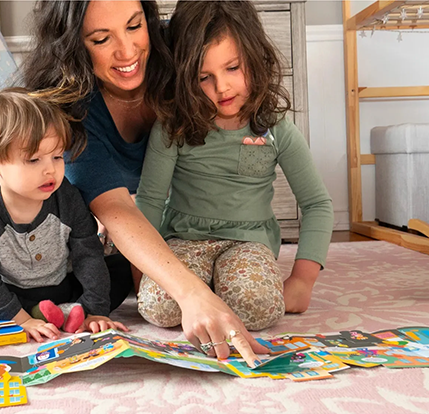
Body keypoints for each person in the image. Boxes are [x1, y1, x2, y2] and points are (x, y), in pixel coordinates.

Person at [22, 0, 270, 367]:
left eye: (135, 26)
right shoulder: (70, 111)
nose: (127, 51)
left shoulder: (181, 57)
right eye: (102, 39)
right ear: (74, 45)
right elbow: (116, 208)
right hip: (107, 219)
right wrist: (192, 295)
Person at [135, 0, 334, 333]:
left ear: (256, 58)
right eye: (204, 77)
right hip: (183, 239)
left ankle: (219, 286)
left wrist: (303, 279)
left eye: (232, 68)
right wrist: (141, 271)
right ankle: (210, 286)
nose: (222, 87)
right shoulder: (172, 127)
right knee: (158, 307)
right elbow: (151, 200)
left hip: (248, 241)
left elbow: (317, 204)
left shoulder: (276, 128)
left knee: (259, 308)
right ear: (185, 78)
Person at [0, 88, 127, 342]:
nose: (51, 171)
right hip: (12, 291)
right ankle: (45, 313)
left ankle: (74, 310)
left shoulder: (67, 197)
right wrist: (21, 318)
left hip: (65, 284)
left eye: (57, 157)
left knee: (121, 268)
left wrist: (96, 310)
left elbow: (88, 255)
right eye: (34, 160)